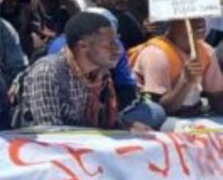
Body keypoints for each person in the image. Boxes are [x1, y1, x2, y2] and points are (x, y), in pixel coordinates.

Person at [16, 12, 151, 132]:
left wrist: (127, 127)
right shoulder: (48, 72)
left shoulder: (100, 75)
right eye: (110, 44)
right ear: (83, 46)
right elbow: (49, 132)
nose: (118, 50)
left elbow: (108, 121)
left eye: (117, 42)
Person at [130, 18, 223, 117]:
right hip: (155, 119)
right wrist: (185, 82)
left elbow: (216, 99)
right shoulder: (155, 54)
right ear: (171, 21)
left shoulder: (205, 50)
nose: (200, 20)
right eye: (191, 17)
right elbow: (160, 111)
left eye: (202, 15)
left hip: (194, 114)